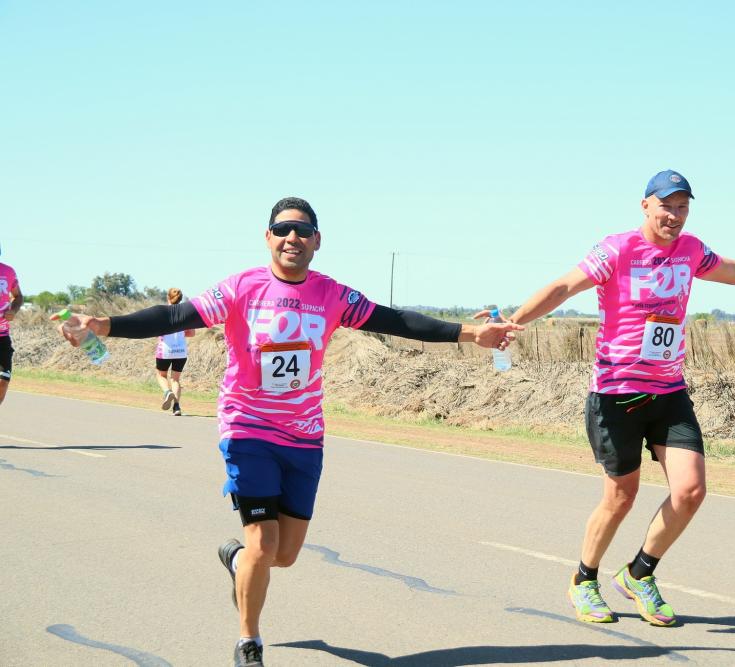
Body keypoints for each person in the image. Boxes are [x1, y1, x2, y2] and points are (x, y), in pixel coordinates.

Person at [53, 197, 523, 667]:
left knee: (284, 555)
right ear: (267, 237)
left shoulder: (332, 294)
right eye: (282, 229)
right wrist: (105, 325)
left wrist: (468, 333)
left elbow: (396, 320)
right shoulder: (242, 288)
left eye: (302, 231)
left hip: (304, 435)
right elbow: (176, 317)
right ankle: (249, 641)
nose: (291, 238)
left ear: (317, 241)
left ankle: (238, 564)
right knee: (263, 541)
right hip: (247, 427)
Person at [490, 170, 735, 627]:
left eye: (682, 208)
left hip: (668, 390)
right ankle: (584, 580)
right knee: (621, 498)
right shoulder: (617, 249)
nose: (674, 216)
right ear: (645, 206)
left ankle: (640, 574)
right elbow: (563, 287)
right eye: (666, 206)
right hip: (617, 393)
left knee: (691, 490)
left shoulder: (691, 250)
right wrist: (515, 321)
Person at [155, 288, 196, 415]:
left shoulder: (162, 312)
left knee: (161, 375)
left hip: (165, 350)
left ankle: (168, 393)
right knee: (175, 380)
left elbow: (155, 330)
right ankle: (177, 407)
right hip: (181, 351)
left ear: (168, 298)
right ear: (180, 299)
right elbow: (191, 333)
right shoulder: (185, 313)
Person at [0, 244, 24, 407]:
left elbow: (18, 296)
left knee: (4, 379)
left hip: (2, 336)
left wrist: (13, 310)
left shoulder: (8, 272)